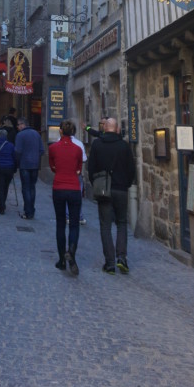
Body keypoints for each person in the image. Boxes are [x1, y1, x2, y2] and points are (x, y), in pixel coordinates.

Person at [88, 117, 136, 274]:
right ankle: (122, 257)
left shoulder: (97, 144)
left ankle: (109, 262)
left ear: (104, 128)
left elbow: (91, 168)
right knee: (122, 223)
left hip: (104, 189)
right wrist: (126, 183)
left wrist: (96, 183)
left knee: (105, 225)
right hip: (121, 189)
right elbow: (131, 169)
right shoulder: (124, 146)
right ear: (116, 129)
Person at [48, 120, 83, 274]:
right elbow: (78, 170)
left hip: (59, 187)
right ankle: (72, 253)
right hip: (74, 188)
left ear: (61, 131)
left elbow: (52, 167)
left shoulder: (53, 148)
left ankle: (62, 260)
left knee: (60, 224)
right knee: (74, 224)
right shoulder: (77, 150)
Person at [13, 117, 45, 219]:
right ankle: (32, 209)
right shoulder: (36, 134)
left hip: (24, 164)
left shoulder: (20, 135)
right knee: (32, 187)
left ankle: (28, 211)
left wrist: (18, 161)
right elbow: (41, 150)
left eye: (18, 125)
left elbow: (17, 151)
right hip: (35, 165)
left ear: (23, 125)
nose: (17, 127)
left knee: (26, 188)